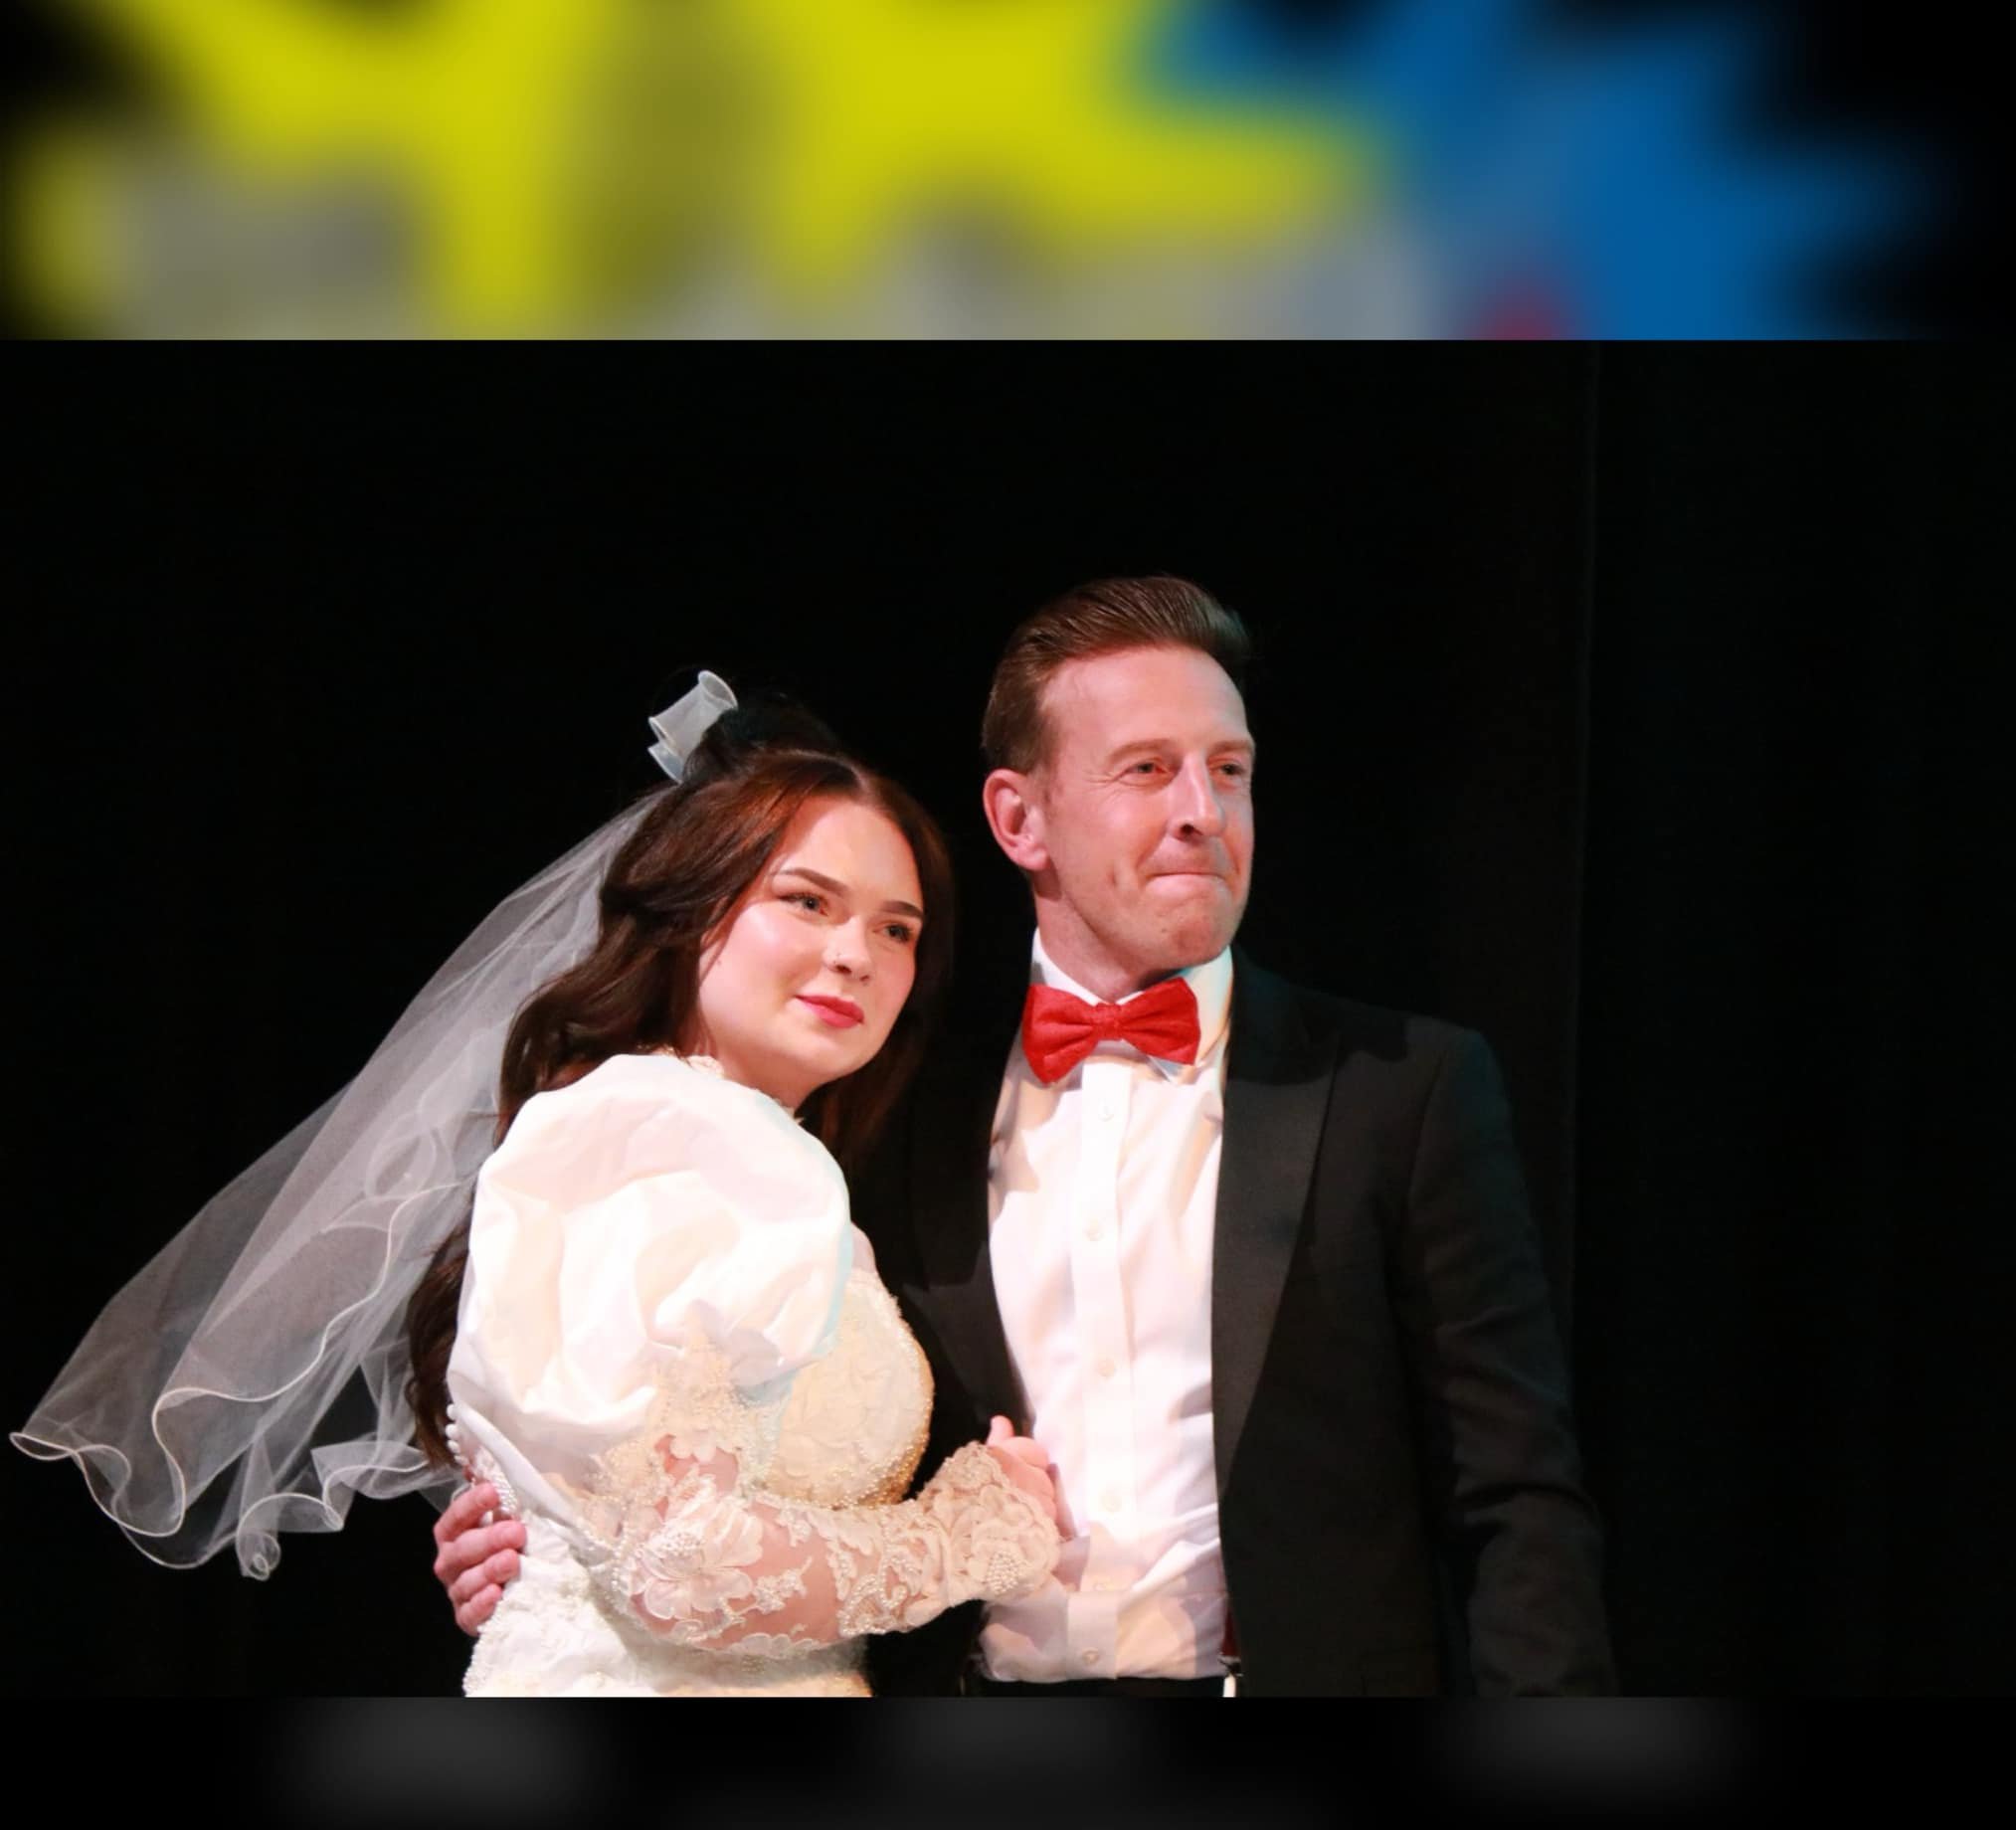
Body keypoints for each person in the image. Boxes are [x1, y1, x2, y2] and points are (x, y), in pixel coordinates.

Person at [442, 579, 1618, 1696]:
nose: (1198, 813)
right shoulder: (886, 1103)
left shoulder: (1397, 1089)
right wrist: (541, 1519)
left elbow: (1512, 1496)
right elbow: (666, 1425)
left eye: (1228, 769)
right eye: (1146, 770)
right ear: (1020, 815)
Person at [16, 678, 1062, 1697]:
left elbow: (607, 1512)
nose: (856, 955)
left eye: (895, 927)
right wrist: (962, 1538)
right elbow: (679, 1562)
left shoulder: (671, 1136)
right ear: (691, 913)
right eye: (806, 901)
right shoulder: (686, 1139)